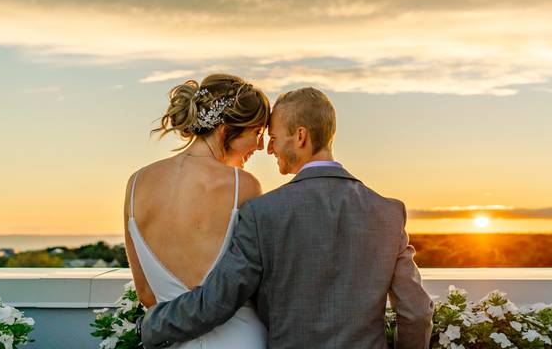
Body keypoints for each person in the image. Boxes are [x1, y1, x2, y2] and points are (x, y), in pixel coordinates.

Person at [140, 86, 433, 349]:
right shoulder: (388, 212)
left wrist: (152, 325)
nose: (268, 149)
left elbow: (220, 299)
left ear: (301, 136)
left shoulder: (263, 212)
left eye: (275, 138)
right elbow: (417, 311)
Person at [124, 74, 270, 348]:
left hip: (172, 339)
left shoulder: (136, 183)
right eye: (257, 133)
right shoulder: (243, 185)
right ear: (227, 130)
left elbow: (145, 293)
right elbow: (254, 284)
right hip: (239, 339)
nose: (260, 146)